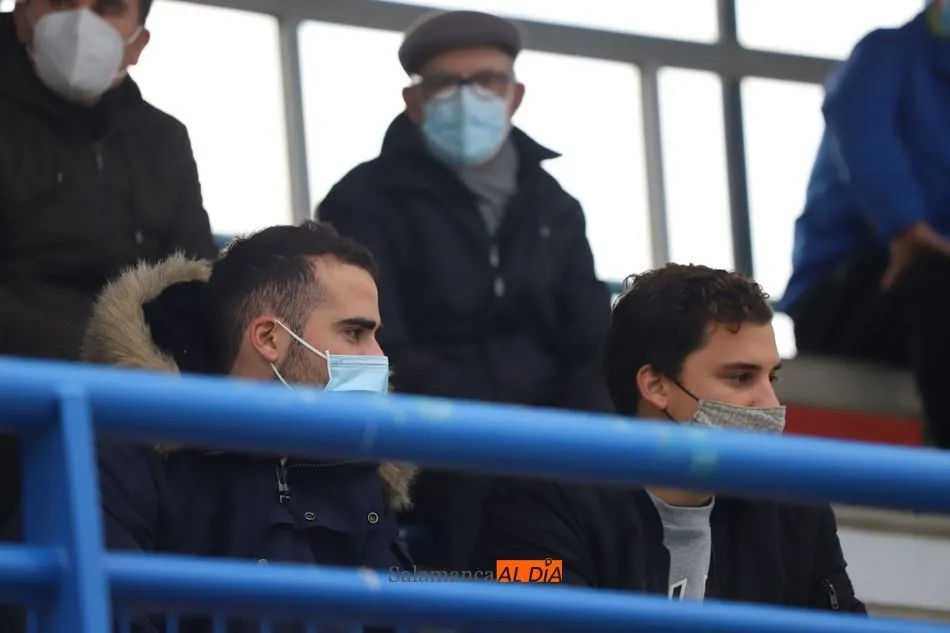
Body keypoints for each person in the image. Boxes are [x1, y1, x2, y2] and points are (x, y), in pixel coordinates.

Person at [318, 9, 612, 570]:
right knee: (504, 530)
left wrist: (579, 434)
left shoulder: (555, 207)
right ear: (414, 101)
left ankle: (549, 596)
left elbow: (590, 342)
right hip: (432, 443)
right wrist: (492, 426)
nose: (466, 97)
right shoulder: (362, 202)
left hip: (549, 440)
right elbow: (374, 346)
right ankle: (513, 599)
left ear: (514, 95)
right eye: (446, 84)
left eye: (485, 81)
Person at [471, 264, 865, 612]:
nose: (770, 403)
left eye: (771, 378)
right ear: (656, 385)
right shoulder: (534, 506)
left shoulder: (797, 510)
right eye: (740, 377)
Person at [88, 222, 416, 633]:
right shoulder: (129, 452)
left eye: (375, 335)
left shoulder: (360, 464)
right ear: (269, 338)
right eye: (354, 332)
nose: (378, 357)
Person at [0, 0, 216, 536]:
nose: (81, 21)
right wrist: (107, 359)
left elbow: (194, 283)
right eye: (60, 2)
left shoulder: (165, 140)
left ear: (137, 44)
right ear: (22, 16)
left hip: (134, 410)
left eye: (107, 7)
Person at [780, 1, 950, 448]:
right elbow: (865, 134)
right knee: (935, 282)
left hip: (922, 306)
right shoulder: (887, 54)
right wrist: (907, 228)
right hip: (842, 296)